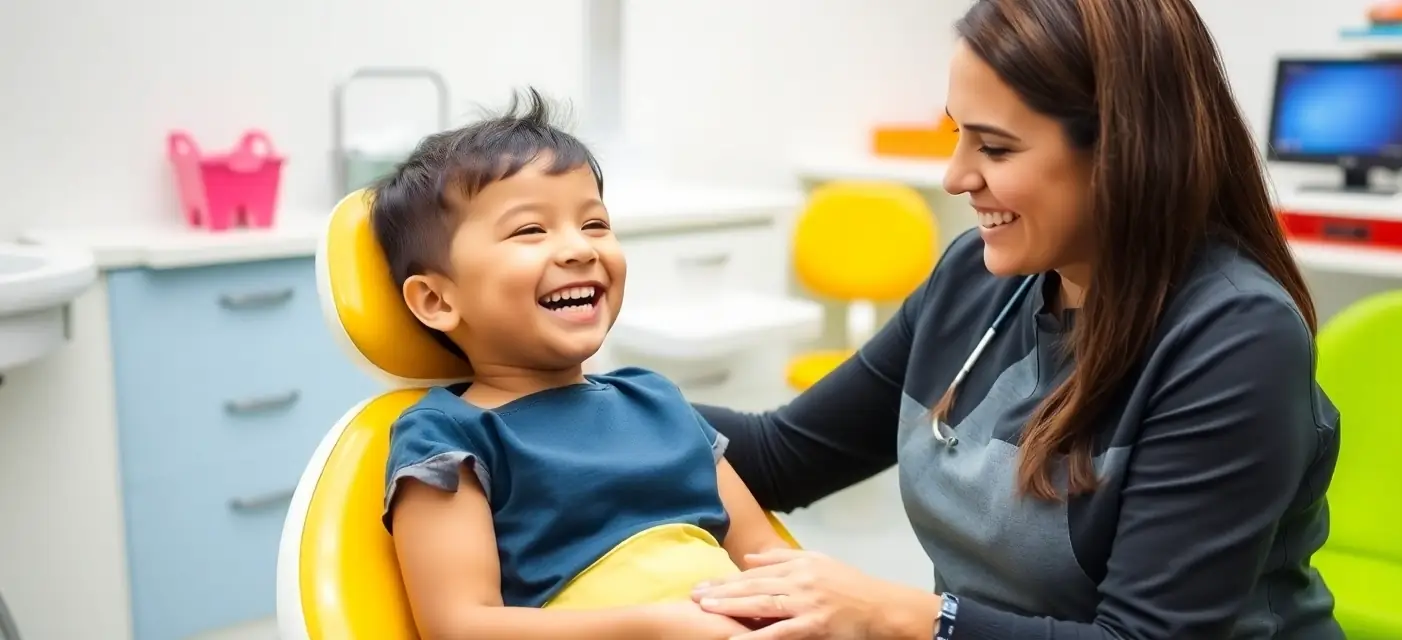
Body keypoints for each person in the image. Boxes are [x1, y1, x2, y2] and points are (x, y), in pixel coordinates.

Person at [689, 0, 1344, 638]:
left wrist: (901, 616)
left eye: (995, 148)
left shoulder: (1237, 340)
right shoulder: (973, 278)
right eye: (958, 136)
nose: (955, 177)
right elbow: (783, 455)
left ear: (1124, 151)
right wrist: (630, 396)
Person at [372, 90, 789, 640]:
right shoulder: (449, 437)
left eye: (594, 224)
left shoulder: (657, 400)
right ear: (436, 300)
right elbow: (460, 627)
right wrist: (652, 629)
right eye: (530, 230)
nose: (580, 249)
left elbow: (771, 561)